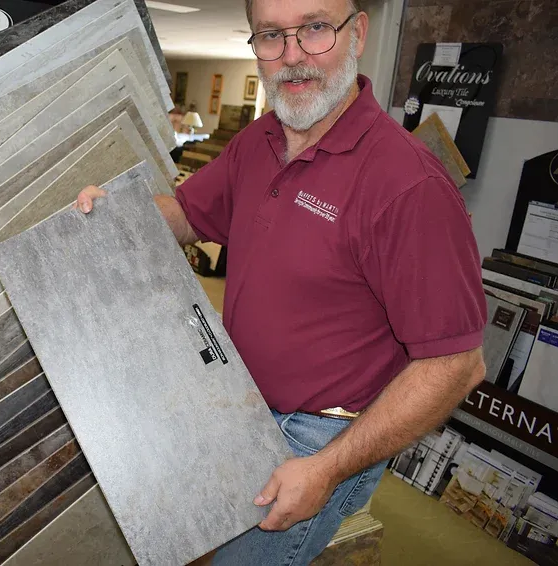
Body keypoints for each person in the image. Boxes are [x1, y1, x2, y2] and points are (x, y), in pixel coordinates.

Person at [76, 0, 487, 563]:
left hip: (315, 439)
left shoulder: (408, 185)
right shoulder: (262, 137)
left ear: (357, 32)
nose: (292, 57)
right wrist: (119, 211)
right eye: (271, 36)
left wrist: (327, 468)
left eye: (315, 29)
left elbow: (457, 365)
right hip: (237, 400)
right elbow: (191, 216)